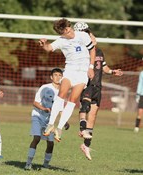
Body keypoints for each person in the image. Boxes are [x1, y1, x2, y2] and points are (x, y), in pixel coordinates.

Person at [39, 18, 96, 142]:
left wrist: (91, 67)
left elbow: (92, 50)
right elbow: (49, 48)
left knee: (72, 100)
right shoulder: (61, 41)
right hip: (70, 70)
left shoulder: (83, 36)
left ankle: (59, 128)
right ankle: (50, 124)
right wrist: (44, 44)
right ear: (62, 33)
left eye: (69, 29)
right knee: (61, 94)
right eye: (66, 32)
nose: (70, 32)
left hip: (82, 73)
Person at [74, 21, 123, 160]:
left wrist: (113, 71)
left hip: (98, 87)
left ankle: (86, 145)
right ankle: (82, 129)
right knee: (85, 105)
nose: (92, 36)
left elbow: (105, 68)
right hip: (87, 84)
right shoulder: (83, 51)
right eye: (89, 34)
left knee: (93, 116)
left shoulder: (100, 52)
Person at [24, 68, 70, 170]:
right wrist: (43, 108)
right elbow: (35, 103)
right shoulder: (44, 87)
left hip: (50, 121)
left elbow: (61, 109)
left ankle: (45, 165)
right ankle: (28, 163)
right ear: (51, 77)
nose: (58, 77)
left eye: (60, 75)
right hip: (38, 116)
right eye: (55, 75)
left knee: (50, 143)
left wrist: (65, 121)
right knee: (36, 138)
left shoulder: (62, 92)